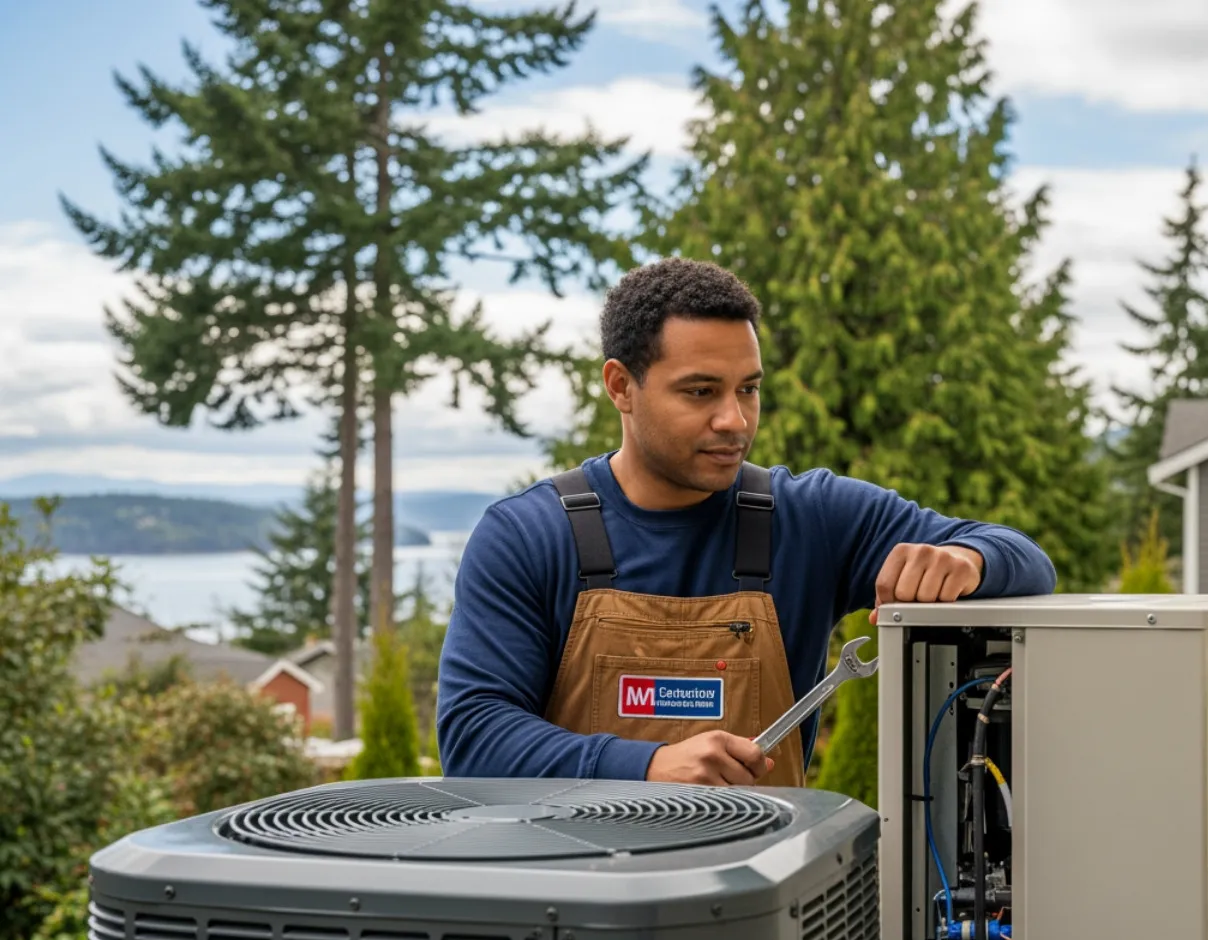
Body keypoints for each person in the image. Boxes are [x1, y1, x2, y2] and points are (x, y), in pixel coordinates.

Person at [436, 257, 1057, 788]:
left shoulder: (810, 517)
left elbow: (1027, 559)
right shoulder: (527, 536)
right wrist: (645, 766)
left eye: (749, 389)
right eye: (701, 392)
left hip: (765, 901)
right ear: (621, 386)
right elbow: (474, 738)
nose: (735, 420)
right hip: (577, 906)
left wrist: (968, 560)